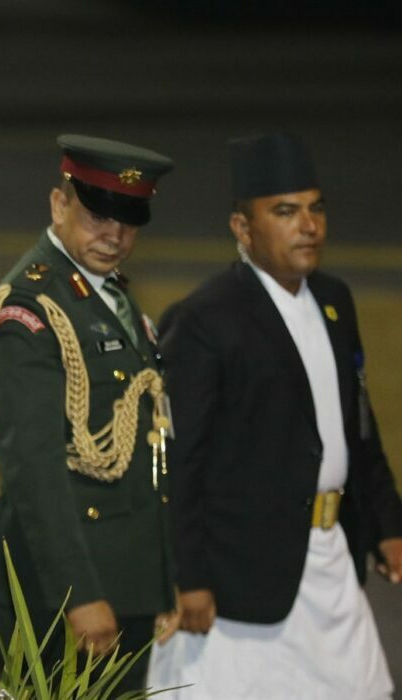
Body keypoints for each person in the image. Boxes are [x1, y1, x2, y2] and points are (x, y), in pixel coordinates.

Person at [147, 132, 402, 699]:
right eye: (285, 212)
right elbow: (179, 464)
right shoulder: (205, 320)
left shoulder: (335, 301)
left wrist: (388, 523)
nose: (308, 226)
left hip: (330, 563)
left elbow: (358, 426)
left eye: (316, 209)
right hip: (241, 584)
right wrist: (188, 577)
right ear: (242, 227)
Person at [0, 135, 178, 692]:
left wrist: (164, 578)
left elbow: (149, 449)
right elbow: (33, 467)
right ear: (58, 205)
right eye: (97, 217)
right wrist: (78, 593)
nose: (114, 236)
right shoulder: (31, 309)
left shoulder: (106, 295)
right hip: (62, 583)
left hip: (124, 575)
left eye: (129, 221)